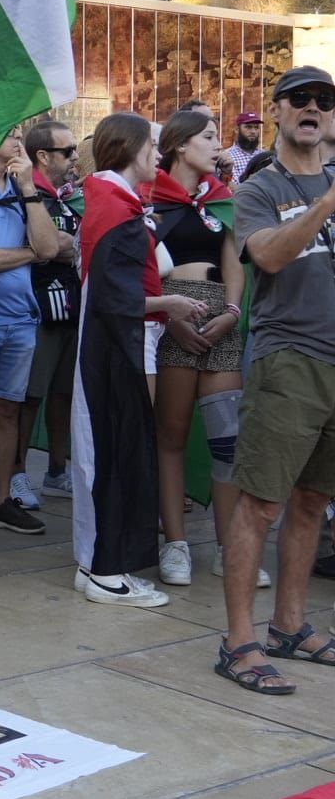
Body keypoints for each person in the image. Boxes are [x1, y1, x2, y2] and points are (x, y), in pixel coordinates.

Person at [215, 66, 335, 695]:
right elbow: (267, 256)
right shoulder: (262, 187)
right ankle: (238, 641)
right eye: (299, 99)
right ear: (280, 112)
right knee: (261, 501)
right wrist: (324, 204)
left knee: (313, 500)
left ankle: (290, 625)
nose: (312, 108)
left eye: (324, 101)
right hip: (290, 359)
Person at [71, 112, 206, 610]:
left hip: (115, 344)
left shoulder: (115, 201)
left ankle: (98, 564)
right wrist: (168, 305)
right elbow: (113, 296)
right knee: (117, 452)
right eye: (152, 143)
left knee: (109, 451)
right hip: (116, 348)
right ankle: (107, 570)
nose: (160, 151)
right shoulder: (116, 208)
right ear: (128, 148)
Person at [145, 112, 250, 589]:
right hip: (171, 317)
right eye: (208, 137)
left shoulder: (221, 199)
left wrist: (231, 310)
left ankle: (231, 547)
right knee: (170, 435)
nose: (218, 145)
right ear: (180, 146)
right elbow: (142, 270)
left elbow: (235, 263)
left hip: (220, 319)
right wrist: (171, 317)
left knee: (228, 441)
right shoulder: (149, 196)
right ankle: (176, 544)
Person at [0, 104, 59, 531]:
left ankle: (0, 501)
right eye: (10, 131)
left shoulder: (24, 186)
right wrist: (30, 254)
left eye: (21, 131)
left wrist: (28, 189)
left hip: (21, 319)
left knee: (7, 410)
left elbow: (50, 248)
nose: (20, 139)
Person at [14, 121, 83, 507]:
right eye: (68, 151)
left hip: (70, 307)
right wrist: (57, 246)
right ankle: (18, 472)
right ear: (43, 156)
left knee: (62, 393)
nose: (75, 157)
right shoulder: (27, 194)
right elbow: (43, 245)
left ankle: (58, 468)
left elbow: (73, 245)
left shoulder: (66, 196)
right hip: (38, 307)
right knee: (30, 396)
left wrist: (63, 245)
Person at [223, 112, 263, 181]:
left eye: (256, 127)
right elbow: (232, 186)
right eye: (248, 127)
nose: (253, 131)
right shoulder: (228, 156)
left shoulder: (264, 156)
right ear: (237, 130)